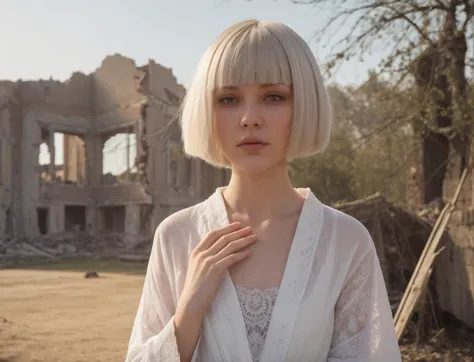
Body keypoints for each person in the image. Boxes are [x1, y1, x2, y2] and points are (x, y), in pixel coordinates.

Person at [125, 19, 402, 362]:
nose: (250, 118)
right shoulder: (176, 237)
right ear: (207, 113)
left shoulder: (345, 241)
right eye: (228, 99)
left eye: (273, 97)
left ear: (304, 104)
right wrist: (188, 314)